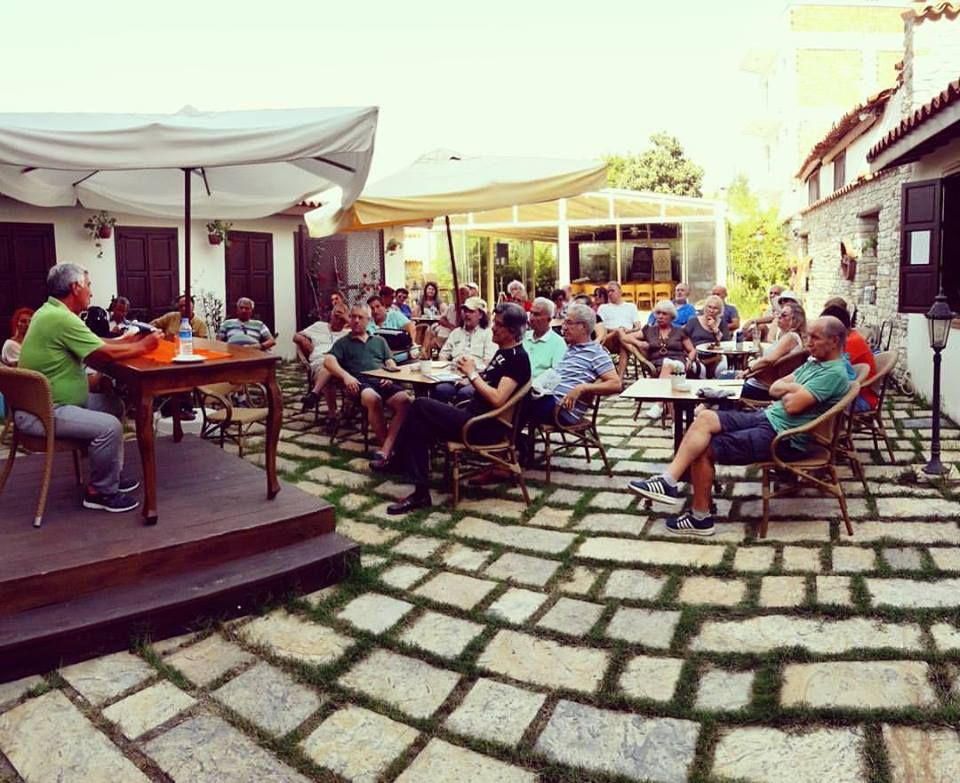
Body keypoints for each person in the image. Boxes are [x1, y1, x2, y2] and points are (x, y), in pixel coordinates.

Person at [628, 316, 851, 536]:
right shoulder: (815, 362)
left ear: (834, 341)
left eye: (815, 338)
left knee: (703, 447)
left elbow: (792, 405)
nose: (809, 342)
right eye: (809, 336)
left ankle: (700, 518)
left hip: (784, 437)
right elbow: (774, 388)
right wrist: (793, 389)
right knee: (705, 417)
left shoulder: (832, 373)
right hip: (767, 417)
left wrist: (789, 390)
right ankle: (668, 481)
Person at [16, 263, 161, 513]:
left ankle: (108, 475)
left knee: (113, 405)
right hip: (45, 412)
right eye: (89, 285)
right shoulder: (59, 318)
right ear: (76, 287)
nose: (91, 292)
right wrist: (143, 346)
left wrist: (124, 340)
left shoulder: (51, 312)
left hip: (46, 404)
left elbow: (93, 342)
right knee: (110, 427)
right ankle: (100, 492)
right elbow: (102, 353)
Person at [371, 303, 531, 514]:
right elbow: (489, 384)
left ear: (511, 331)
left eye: (499, 325)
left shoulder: (517, 358)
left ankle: (402, 465)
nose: (493, 328)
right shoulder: (504, 353)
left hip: (482, 427)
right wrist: (468, 377)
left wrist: (472, 374)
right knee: (418, 421)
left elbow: (498, 399)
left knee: (419, 405)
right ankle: (418, 488)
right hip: (473, 415)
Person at [323, 303, 411, 461]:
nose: (356, 321)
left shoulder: (379, 341)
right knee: (373, 398)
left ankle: (388, 447)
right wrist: (346, 376)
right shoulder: (343, 343)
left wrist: (389, 374)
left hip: (382, 380)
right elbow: (328, 360)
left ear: (368, 320)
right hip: (359, 382)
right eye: (353, 317)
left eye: (360, 317)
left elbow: (390, 361)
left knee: (405, 401)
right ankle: (387, 452)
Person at [525, 303, 621, 427]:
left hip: (562, 410)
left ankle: (506, 440)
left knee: (514, 402)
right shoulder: (570, 348)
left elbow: (616, 384)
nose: (563, 328)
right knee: (511, 396)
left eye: (568, 323)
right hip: (547, 399)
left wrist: (582, 388)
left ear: (583, 327)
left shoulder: (596, 352)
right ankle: (513, 440)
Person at [635, 300, 698, 419]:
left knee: (668, 364)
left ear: (671, 316)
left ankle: (659, 404)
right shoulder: (649, 330)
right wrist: (640, 345)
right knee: (667, 367)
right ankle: (675, 421)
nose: (660, 316)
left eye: (664, 314)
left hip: (679, 363)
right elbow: (625, 338)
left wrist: (690, 360)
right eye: (658, 313)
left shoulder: (679, 331)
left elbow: (692, 350)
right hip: (656, 364)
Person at [433, 296, 498, 402]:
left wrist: (470, 375)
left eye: (471, 311)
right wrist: (450, 370)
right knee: (440, 390)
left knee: (465, 393)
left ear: (481, 315)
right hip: (453, 376)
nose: (467, 314)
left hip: (477, 378)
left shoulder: (488, 334)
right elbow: (443, 355)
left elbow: (488, 362)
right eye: (465, 311)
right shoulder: (456, 333)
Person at [739, 302, 807, 401]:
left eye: (784, 315)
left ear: (795, 320)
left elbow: (769, 360)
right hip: (765, 383)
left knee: (725, 378)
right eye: (779, 314)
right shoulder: (788, 336)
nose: (779, 317)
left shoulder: (790, 337)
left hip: (762, 387)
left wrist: (748, 371)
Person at [295, 300, 350, 419]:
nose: (338, 319)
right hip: (319, 363)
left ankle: (315, 394)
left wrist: (347, 319)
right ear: (331, 315)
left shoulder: (348, 333)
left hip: (340, 366)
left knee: (330, 364)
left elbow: (364, 334)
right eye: (336, 315)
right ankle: (332, 415)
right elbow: (296, 336)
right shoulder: (319, 326)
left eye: (342, 317)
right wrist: (305, 342)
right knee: (327, 369)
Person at [821, 302, 877, 412]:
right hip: (851, 391)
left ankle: (829, 428)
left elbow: (829, 370)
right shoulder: (849, 337)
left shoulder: (850, 342)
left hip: (860, 398)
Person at [597, 282, 644, 382]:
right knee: (619, 332)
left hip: (625, 338)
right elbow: (600, 328)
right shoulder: (603, 308)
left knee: (623, 343)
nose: (609, 293)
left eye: (612, 291)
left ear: (620, 292)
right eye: (608, 291)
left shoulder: (631, 307)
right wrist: (617, 330)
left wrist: (628, 330)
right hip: (609, 339)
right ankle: (641, 358)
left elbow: (638, 326)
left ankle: (619, 380)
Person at [683, 294, 730, 378]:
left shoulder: (722, 323)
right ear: (705, 307)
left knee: (723, 367)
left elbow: (726, 344)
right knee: (699, 369)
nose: (711, 310)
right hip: (696, 356)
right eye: (709, 307)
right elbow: (684, 338)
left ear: (720, 311)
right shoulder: (693, 321)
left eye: (715, 308)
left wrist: (715, 328)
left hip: (715, 357)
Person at [523, 297, 567, 379]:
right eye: (531, 313)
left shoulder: (558, 343)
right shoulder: (523, 337)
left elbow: (556, 374)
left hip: (538, 389)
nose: (531, 318)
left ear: (549, 319)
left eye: (536, 314)